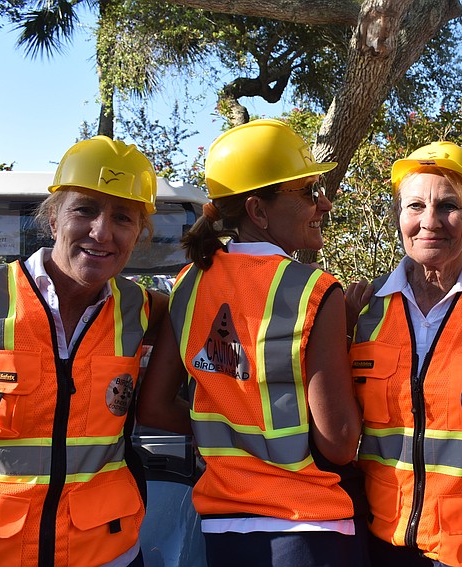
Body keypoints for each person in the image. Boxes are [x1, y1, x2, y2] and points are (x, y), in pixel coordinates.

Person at [137, 118, 367, 567]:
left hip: (222, 530)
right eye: (306, 191)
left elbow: (154, 407)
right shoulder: (315, 291)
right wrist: (351, 334)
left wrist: (228, 435)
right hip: (308, 528)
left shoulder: (188, 285)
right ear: (258, 211)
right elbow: (339, 441)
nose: (323, 203)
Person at [0, 136, 163, 566]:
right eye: (84, 209)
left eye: (123, 217)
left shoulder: (144, 308)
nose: (101, 232)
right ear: (52, 218)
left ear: (139, 233)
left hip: (108, 553)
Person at [346, 141, 462, 567]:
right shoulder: (363, 305)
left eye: (448, 206)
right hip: (382, 539)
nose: (429, 221)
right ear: (398, 216)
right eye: (414, 206)